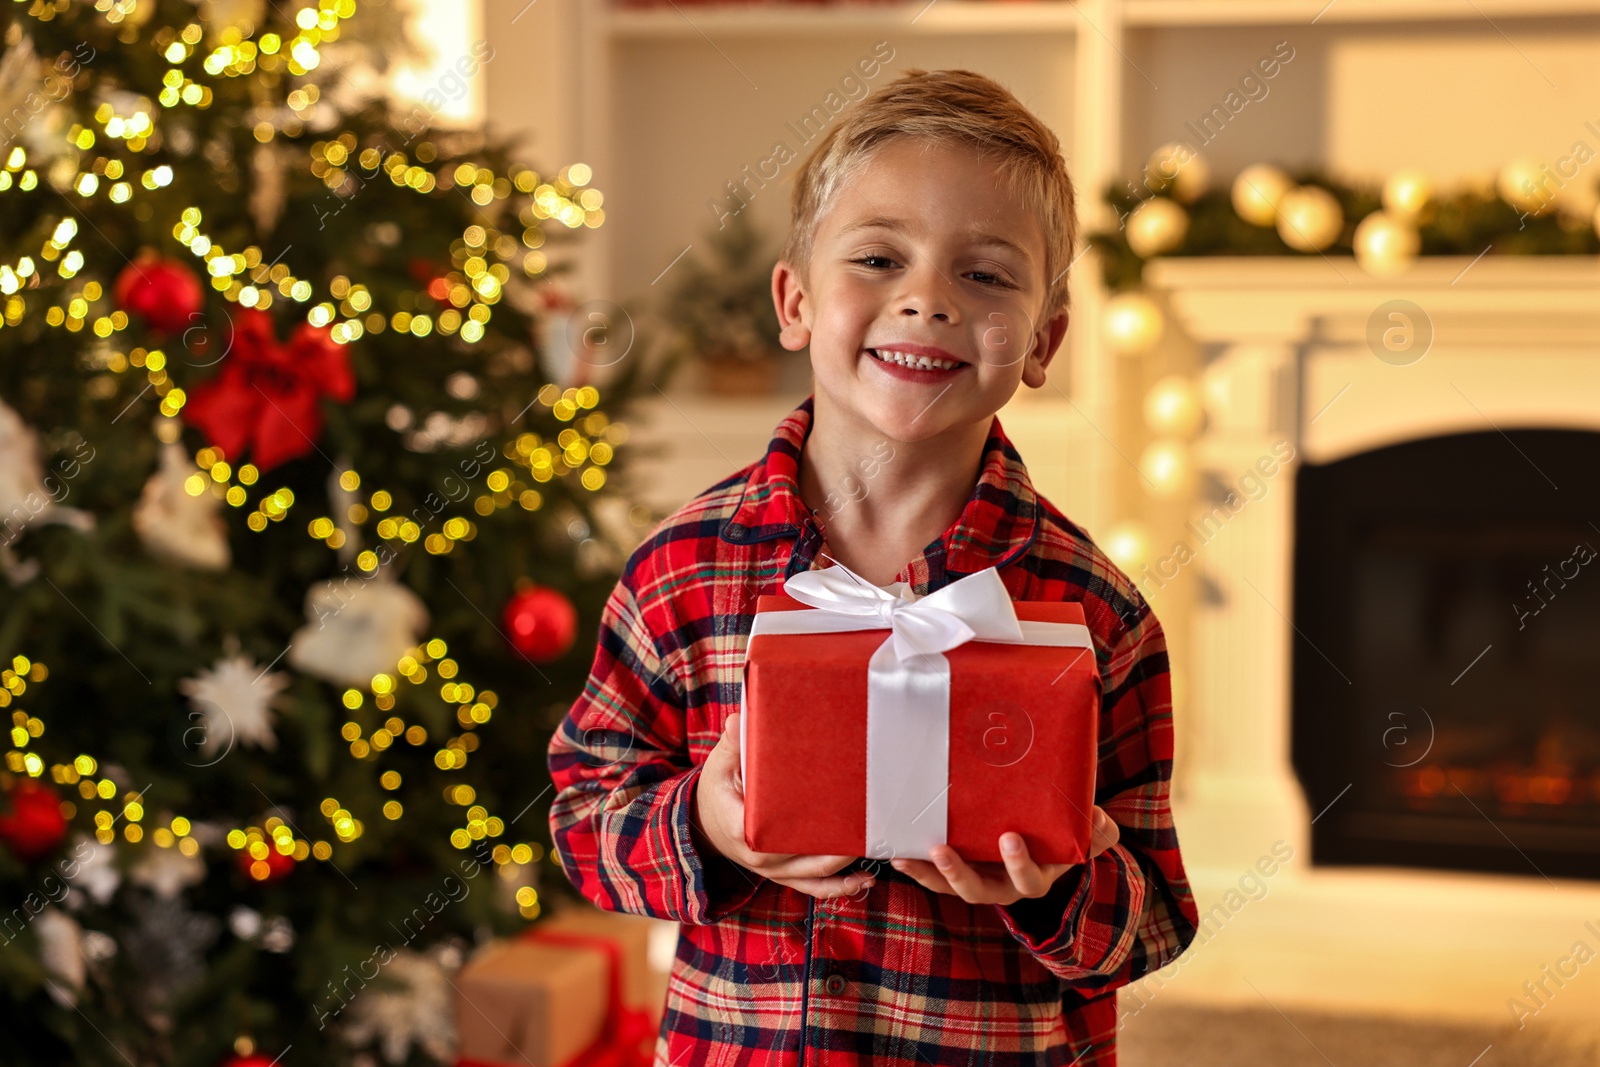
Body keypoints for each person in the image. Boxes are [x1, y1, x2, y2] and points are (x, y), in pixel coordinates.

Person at [549, 67, 1198, 1066]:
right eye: (879, 258)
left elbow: (1154, 923)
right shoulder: (679, 572)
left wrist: (1062, 881)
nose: (926, 300)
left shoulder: (1094, 613)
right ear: (795, 301)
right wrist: (707, 826)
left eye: (984, 275)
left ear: (1043, 339)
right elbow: (585, 819)